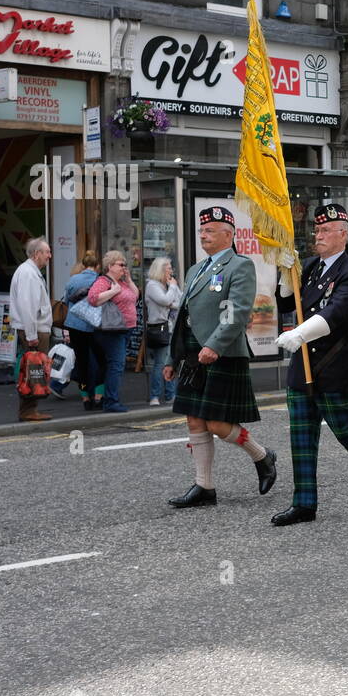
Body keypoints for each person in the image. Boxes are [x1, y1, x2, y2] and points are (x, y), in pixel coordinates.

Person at [271, 202, 348, 526]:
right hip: (303, 365)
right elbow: (288, 302)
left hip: (333, 364)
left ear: (343, 233)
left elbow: (336, 314)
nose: (319, 234)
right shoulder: (312, 266)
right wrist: (285, 276)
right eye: (316, 229)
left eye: (326, 229)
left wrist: (299, 333)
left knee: (346, 430)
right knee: (301, 435)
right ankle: (304, 503)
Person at [163, 207, 277, 507]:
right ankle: (204, 487)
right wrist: (171, 359)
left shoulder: (239, 265)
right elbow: (182, 316)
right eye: (202, 231)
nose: (203, 235)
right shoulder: (195, 269)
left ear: (229, 234)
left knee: (217, 424)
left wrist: (214, 345)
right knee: (194, 420)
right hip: (191, 353)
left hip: (222, 353)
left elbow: (237, 312)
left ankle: (262, 456)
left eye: (210, 230)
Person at [86, 251, 137, 414]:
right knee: (116, 365)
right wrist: (113, 292)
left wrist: (128, 280)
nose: (124, 267)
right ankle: (111, 402)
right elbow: (93, 298)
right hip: (113, 330)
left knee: (115, 364)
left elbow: (135, 296)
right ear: (110, 266)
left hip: (125, 329)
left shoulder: (122, 282)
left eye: (125, 264)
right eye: (121, 264)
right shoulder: (104, 280)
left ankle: (109, 399)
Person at [9, 237, 54, 423]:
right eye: (47, 252)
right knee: (33, 371)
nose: (50, 256)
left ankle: (30, 409)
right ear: (37, 254)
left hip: (35, 329)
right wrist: (31, 335)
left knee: (33, 370)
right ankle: (28, 410)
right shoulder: (28, 273)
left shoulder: (29, 271)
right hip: (34, 330)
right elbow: (28, 306)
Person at [63, 251, 106, 411]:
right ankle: (98, 397)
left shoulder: (73, 280)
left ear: (82, 265)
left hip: (75, 325)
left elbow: (67, 301)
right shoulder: (99, 280)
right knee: (102, 361)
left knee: (81, 363)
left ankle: (85, 399)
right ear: (97, 266)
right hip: (95, 326)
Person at [144, 256, 183, 405]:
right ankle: (155, 396)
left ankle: (170, 395)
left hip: (172, 327)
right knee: (160, 363)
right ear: (160, 270)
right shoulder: (152, 285)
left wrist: (172, 290)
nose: (171, 271)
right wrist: (172, 289)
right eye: (168, 269)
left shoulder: (167, 285)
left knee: (171, 362)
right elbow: (166, 301)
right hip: (160, 329)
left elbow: (180, 301)